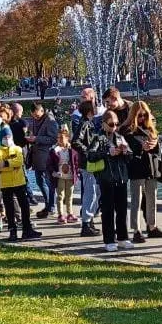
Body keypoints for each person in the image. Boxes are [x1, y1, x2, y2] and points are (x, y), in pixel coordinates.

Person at [90, 108, 133, 252]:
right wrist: (107, 153)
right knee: (108, 210)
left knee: (122, 209)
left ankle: (122, 237)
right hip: (106, 178)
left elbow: (130, 157)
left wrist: (126, 151)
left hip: (121, 177)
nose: (114, 126)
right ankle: (109, 239)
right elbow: (90, 155)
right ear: (103, 124)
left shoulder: (120, 137)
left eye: (116, 123)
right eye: (111, 124)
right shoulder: (98, 137)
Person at [122, 101, 162, 242]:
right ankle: (136, 230)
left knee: (152, 198)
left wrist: (154, 144)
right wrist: (142, 147)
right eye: (139, 115)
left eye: (145, 114)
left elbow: (158, 149)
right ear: (133, 115)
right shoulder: (127, 129)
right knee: (136, 199)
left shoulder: (150, 128)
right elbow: (127, 149)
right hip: (136, 168)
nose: (142, 118)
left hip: (151, 167)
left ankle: (151, 226)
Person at [0, 127, 40, 241]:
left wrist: (5, 163)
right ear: (1, 139)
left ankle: (27, 229)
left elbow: (19, 162)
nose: (7, 139)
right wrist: (11, 165)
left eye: (9, 137)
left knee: (25, 206)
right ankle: (12, 231)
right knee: (9, 209)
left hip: (19, 182)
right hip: (6, 184)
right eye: (5, 137)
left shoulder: (18, 149)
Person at [72, 98, 101, 237]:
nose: (97, 108)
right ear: (90, 111)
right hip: (88, 163)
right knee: (91, 193)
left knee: (94, 192)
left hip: (89, 163)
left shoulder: (88, 123)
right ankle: (86, 224)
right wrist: (88, 151)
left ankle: (89, 222)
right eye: (95, 107)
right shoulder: (84, 124)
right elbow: (75, 142)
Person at [26, 102, 58, 219]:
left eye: (37, 116)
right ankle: (48, 204)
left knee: (48, 182)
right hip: (37, 156)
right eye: (33, 116)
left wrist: (37, 138)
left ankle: (51, 206)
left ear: (42, 111)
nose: (35, 118)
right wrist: (30, 135)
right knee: (39, 181)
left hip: (46, 156)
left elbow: (54, 139)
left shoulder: (50, 120)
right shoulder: (34, 119)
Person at [51, 126, 78, 224]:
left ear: (67, 138)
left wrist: (77, 172)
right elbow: (49, 164)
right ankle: (60, 214)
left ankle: (70, 213)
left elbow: (76, 162)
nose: (60, 140)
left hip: (70, 176)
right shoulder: (54, 150)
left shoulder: (72, 149)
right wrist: (53, 172)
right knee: (60, 196)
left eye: (62, 138)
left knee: (70, 195)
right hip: (60, 176)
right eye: (58, 138)